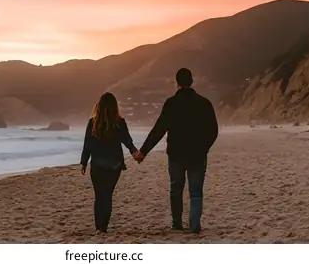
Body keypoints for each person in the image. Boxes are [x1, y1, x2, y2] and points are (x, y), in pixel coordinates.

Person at [133, 68, 218, 234]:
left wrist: (143, 152)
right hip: (197, 155)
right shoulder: (204, 103)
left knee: (176, 190)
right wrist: (204, 147)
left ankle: (177, 223)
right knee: (195, 192)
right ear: (192, 82)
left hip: (176, 155)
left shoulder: (171, 103)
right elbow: (213, 130)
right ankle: (194, 225)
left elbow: (159, 129)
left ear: (177, 83)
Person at [80, 92, 138, 234]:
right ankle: (103, 226)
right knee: (107, 195)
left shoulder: (92, 122)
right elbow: (127, 140)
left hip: (97, 165)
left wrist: (84, 162)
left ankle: (99, 227)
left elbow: (87, 144)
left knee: (99, 196)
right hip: (114, 166)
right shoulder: (119, 122)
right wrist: (135, 153)